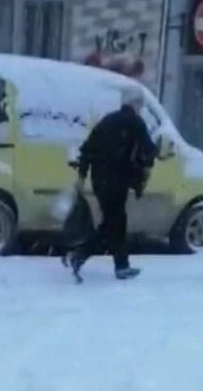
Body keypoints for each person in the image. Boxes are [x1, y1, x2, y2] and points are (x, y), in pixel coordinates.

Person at [67, 85, 157, 283]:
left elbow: (87, 149)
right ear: (135, 103)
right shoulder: (136, 122)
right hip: (118, 181)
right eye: (140, 104)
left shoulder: (107, 121)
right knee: (113, 225)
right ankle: (80, 255)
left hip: (100, 181)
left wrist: (81, 177)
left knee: (114, 224)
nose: (141, 108)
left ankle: (118, 265)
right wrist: (145, 168)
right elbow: (149, 150)